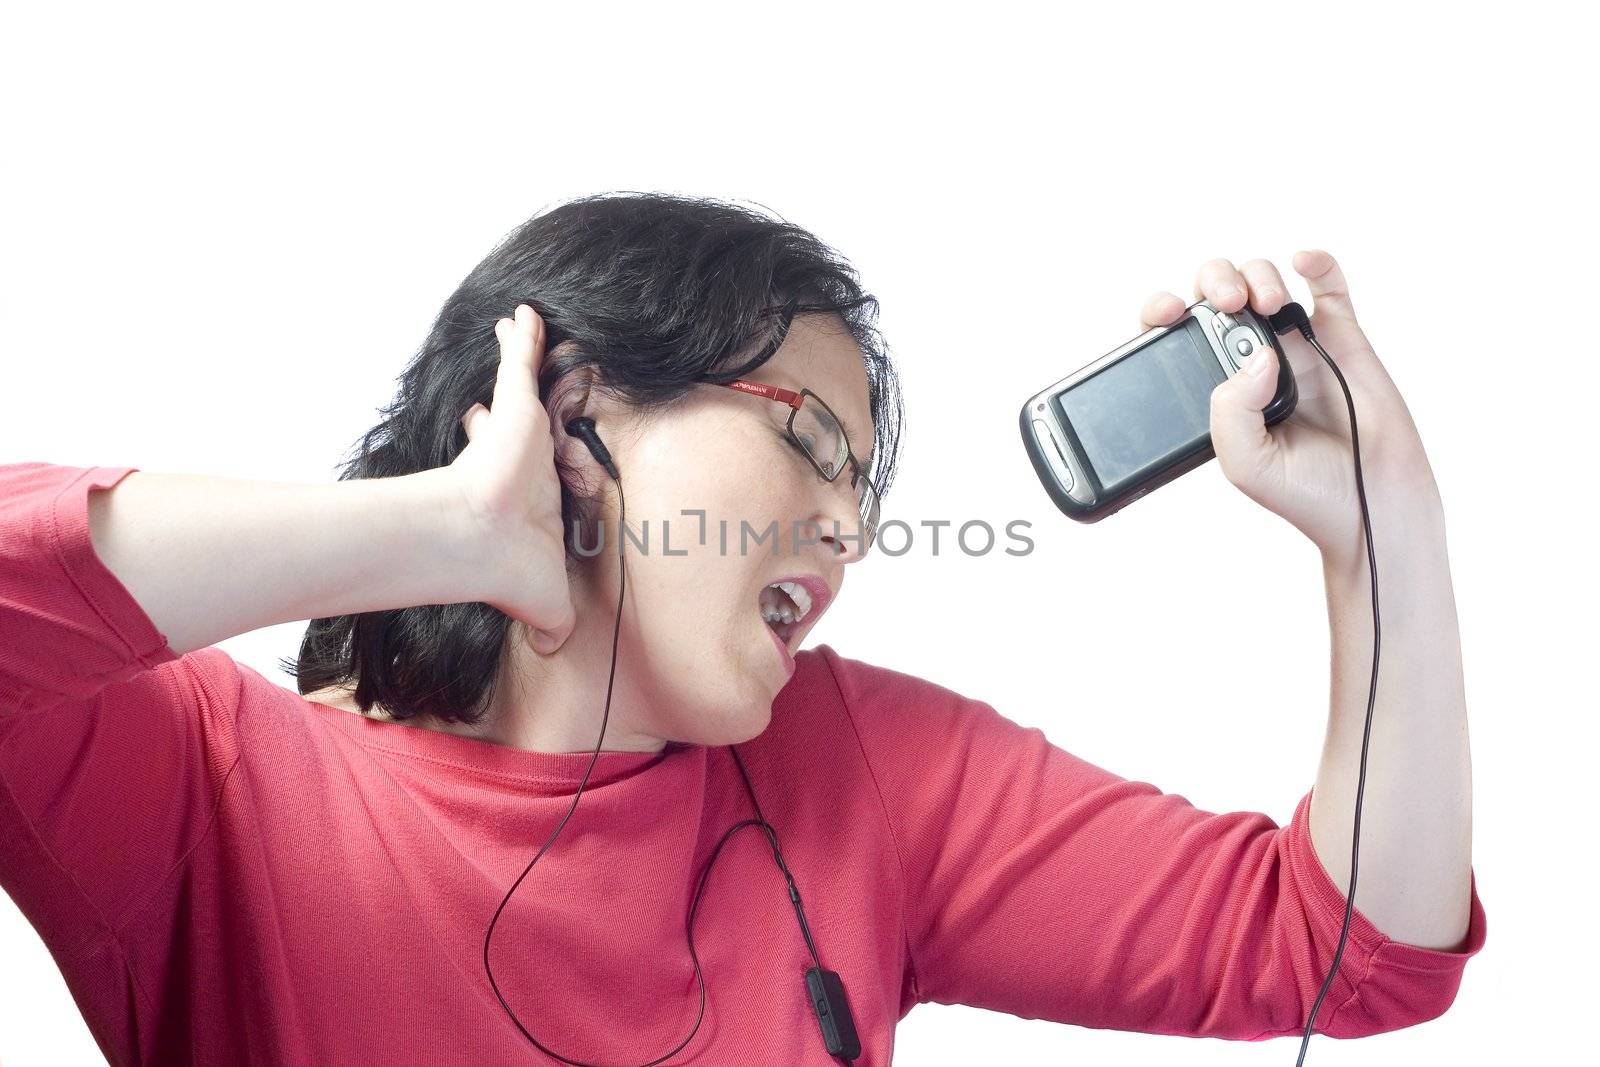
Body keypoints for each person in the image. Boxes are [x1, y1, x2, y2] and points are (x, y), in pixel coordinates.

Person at [0, 192, 1485, 1065]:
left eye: (862, 481)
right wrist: (440, 529)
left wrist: (1385, 531)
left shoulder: (858, 772)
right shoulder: (209, 780)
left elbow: (1351, 949)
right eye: (809, 445)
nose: (850, 531)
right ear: (573, 406)